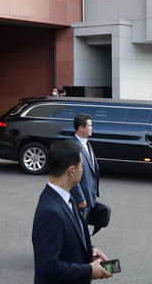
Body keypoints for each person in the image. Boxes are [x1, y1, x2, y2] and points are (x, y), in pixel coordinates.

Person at [32, 139, 111, 283]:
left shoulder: (67, 197)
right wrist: (89, 271)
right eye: (82, 166)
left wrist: (90, 250)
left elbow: (70, 238)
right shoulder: (50, 211)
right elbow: (48, 266)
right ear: (72, 171)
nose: (83, 170)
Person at [70, 114, 100, 222]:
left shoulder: (87, 144)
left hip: (88, 196)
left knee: (84, 229)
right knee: (79, 230)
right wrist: (80, 198)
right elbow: (72, 175)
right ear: (81, 128)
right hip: (80, 200)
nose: (92, 128)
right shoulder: (73, 147)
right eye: (89, 125)